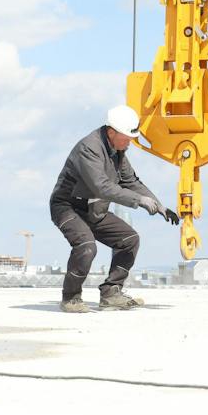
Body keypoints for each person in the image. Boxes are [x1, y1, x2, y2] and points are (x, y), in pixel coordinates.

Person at [49, 104, 177, 313]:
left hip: (94, 209)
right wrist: (139, 201)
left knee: (129, 240)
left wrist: (157, 204)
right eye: (127, 138)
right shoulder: (89, 148)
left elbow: (131, 181)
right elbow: (102, 187)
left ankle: (111, 293)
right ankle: (71, 298)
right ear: (111, 132)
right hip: (68, 207)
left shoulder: (118, 152)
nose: (130, 143)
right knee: (86, 245)